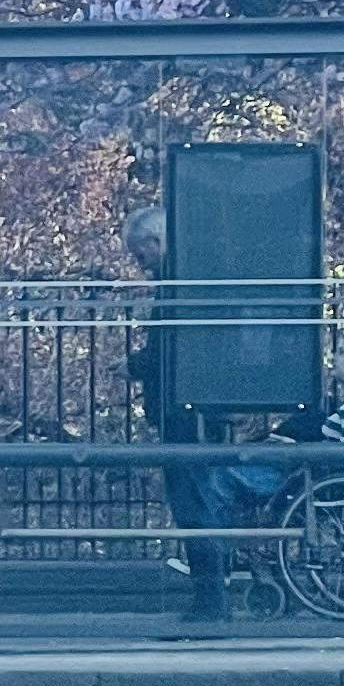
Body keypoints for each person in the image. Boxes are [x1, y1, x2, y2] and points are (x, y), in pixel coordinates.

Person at [117, 204, 241, 625]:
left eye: (141, 254)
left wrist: (134, 365)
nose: (140, 264)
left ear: (157, 241)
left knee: (193, 502)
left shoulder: (177, 288)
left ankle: (210, 598)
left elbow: (171, 350)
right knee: (200, 499)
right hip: (199, 407)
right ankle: (212, 592)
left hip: (186, 412)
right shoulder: (192, 279)